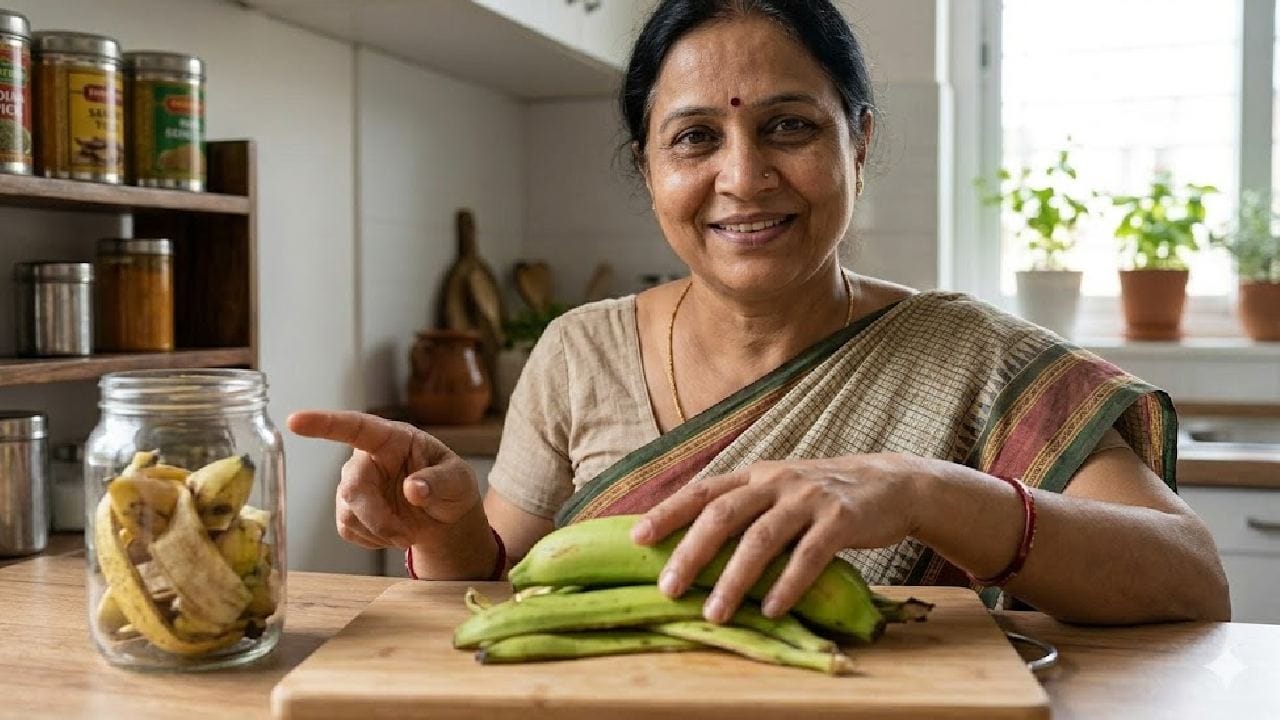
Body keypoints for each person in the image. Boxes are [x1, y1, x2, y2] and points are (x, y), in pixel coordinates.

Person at [289, 0, 1229, 625]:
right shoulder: (581, 351)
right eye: (695, 137)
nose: (743, 177)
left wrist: (925, 492)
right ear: (648, 169)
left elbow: (1190, 579)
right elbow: (507, 595)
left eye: (790, 126)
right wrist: (440, 529)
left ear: (858, 141)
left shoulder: (972, 358)